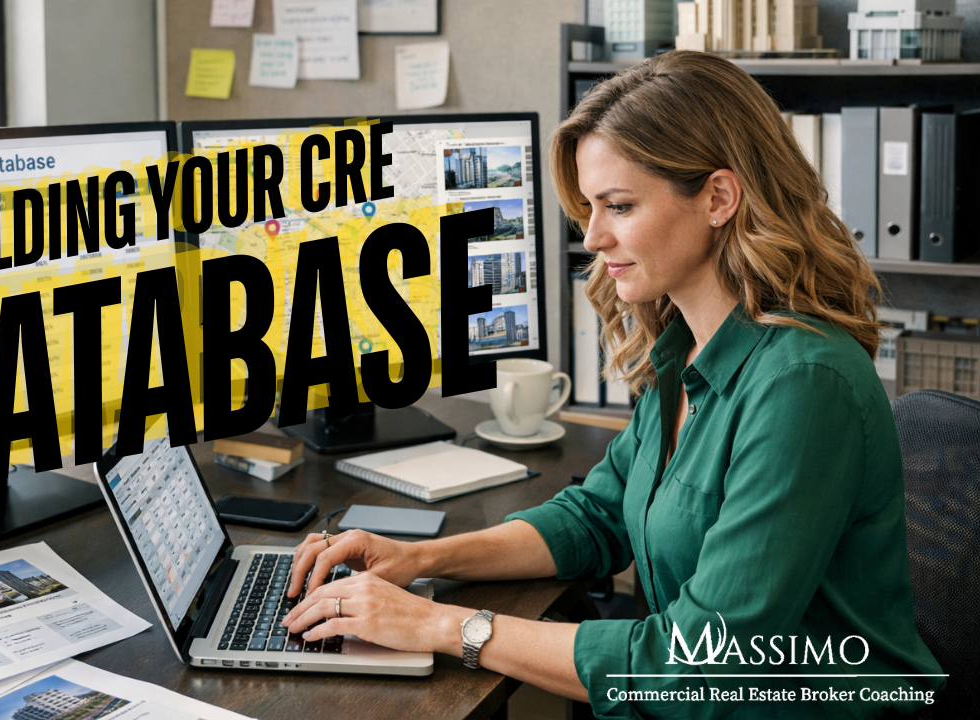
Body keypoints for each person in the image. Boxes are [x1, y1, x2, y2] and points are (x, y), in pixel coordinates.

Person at [280, 51, 945, 718]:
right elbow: (596, 516)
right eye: (591, 208)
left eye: (619, 206)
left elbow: (695, 670)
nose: (593, 237)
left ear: (718, 197)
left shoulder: (803, 385)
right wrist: (415, 559)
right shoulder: (687, 347)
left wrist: (440, 626)